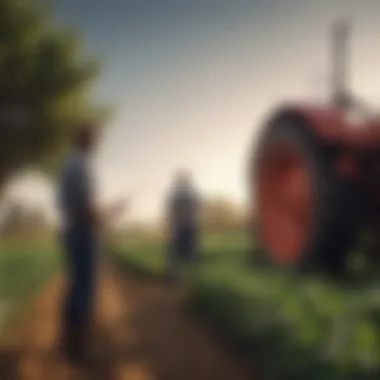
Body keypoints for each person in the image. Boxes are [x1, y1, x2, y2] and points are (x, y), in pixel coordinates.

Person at [57, 124, 126, 363]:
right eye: (96, 138)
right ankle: (79, 349)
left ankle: (68, 343)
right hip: (83, 232)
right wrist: (112, 213)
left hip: (72, 229)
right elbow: (88, 209)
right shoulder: (81, 165)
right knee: (85, 289)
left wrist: (104, 215)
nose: (98, 144)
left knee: (76, 285)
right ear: (85, 139)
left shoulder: (69, 164)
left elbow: (81, 206)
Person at [166, 169, 201, 282]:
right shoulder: (176, 197)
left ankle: (190, 282)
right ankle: (176, 279)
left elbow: (197, 209)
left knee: (189, 255)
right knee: (176, 256)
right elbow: (172, 213)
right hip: (180, 228)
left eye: (184, 180)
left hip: (188, 227)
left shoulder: (190, 196)